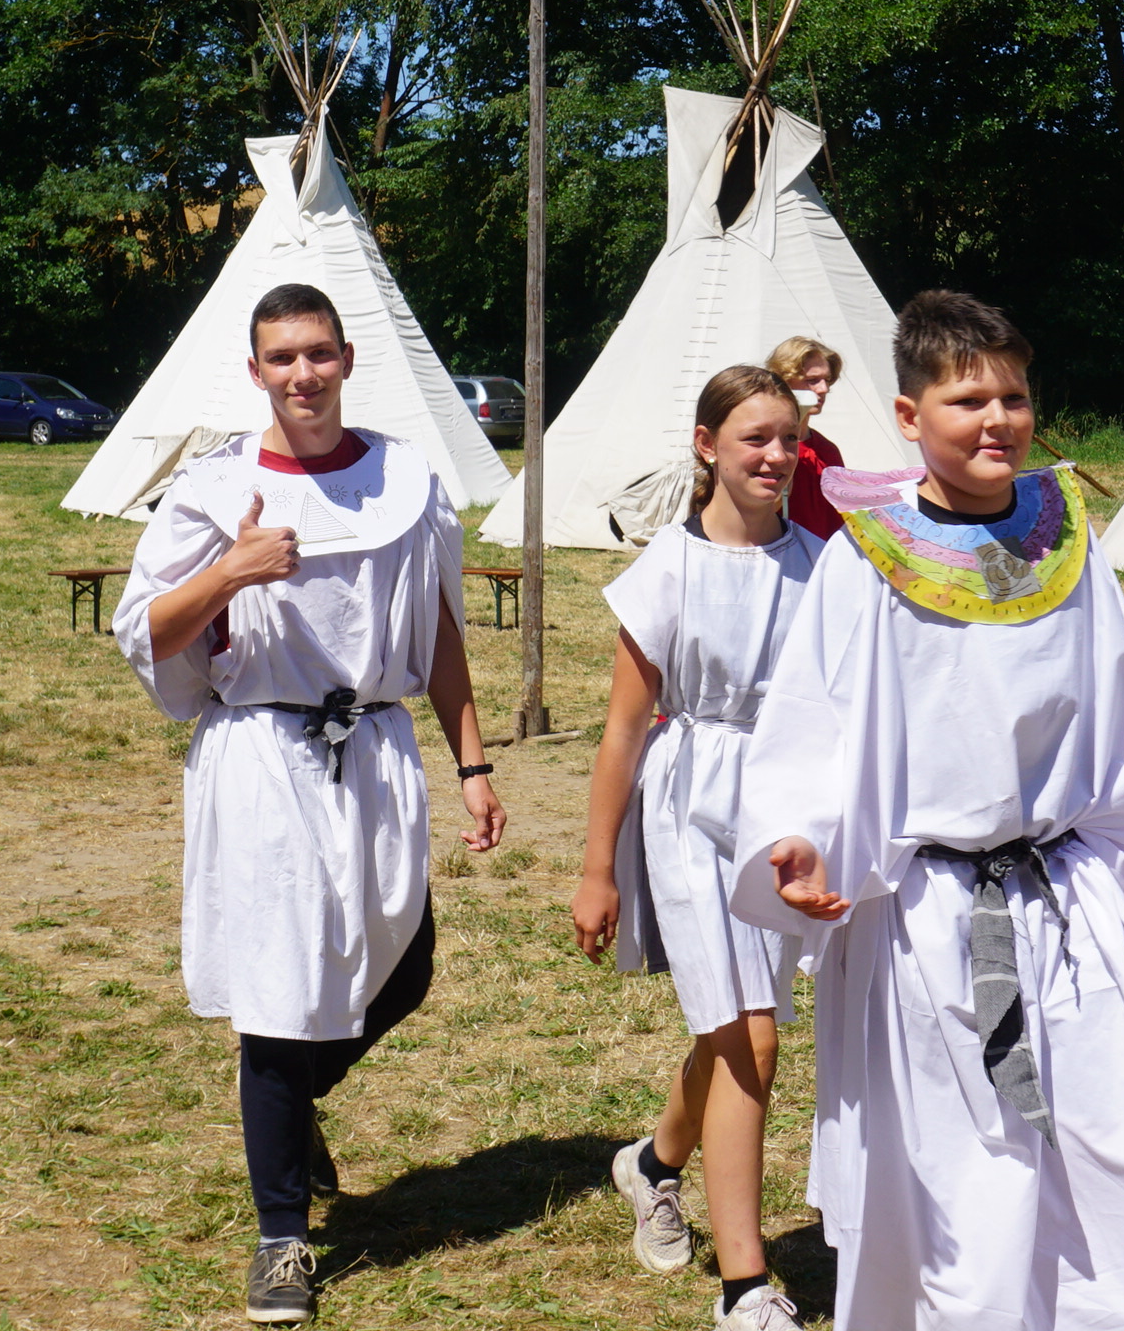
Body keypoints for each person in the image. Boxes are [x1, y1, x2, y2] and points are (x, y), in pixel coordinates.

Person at [729, 290, 1124, 1330]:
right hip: (930, 922)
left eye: (1014, 397)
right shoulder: (866, 557)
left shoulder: (1065, 539)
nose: (996, 420)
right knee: (964, 1178)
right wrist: (795, 836)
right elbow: (810, 720)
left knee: (1109, 1144)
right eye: (967, 399)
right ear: (909, 415)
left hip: (1069, 903)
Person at [112, 282, 506, 1327]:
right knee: (280, 998)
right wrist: (231, 571)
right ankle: (282, 1237)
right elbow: (144, 631)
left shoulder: (405, 480)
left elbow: (438, 630)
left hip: (372, 748)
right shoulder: (214, 491)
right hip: (263, 758)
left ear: (345, 359)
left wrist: (472, 765)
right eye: (282, 358)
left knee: (404, 963)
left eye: (318, 353)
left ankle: (286, 1111)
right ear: (256, 371)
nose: (303, 374)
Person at [572, 364, 820, 1329]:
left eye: (789, 438)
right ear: (707, 446)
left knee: (733, 1026)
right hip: (689, 807)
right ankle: (745, 1286)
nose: (776, 455)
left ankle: (653, 1161)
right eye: (756, 437)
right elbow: (622, 732)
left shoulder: (821, 566)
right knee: (750, 1034)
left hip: (781, 810)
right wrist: (598, 870)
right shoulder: (668, 570)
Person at [766, 335, 846, 540]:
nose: (823, 389)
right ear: (784, 381)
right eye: (812, 381)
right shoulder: (765, 450)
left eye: (827, 380)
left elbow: (837, 523)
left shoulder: (827, 451)